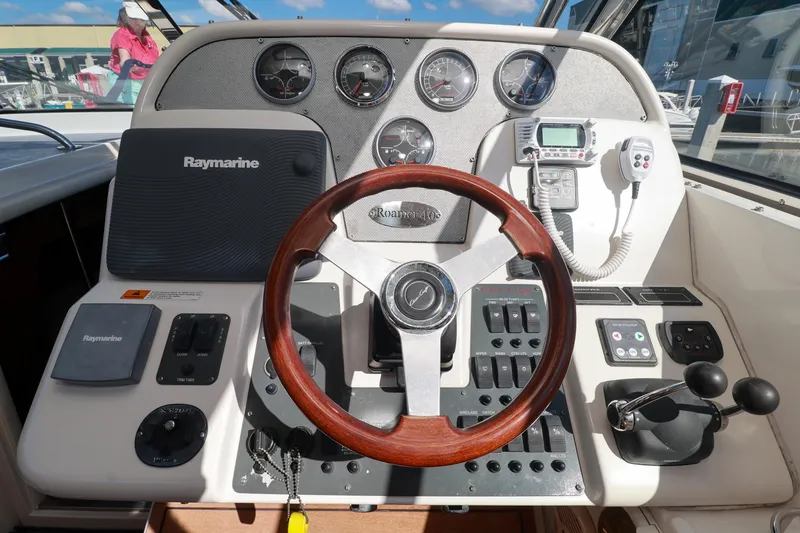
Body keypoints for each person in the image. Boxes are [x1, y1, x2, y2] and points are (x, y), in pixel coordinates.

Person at [107, 2, 160, 105]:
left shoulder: (147, 37)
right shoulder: (122, 34)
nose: (137, 22)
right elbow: (124, 59)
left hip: (144, 83)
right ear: (125, 17)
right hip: (126, 83)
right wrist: (128, 64)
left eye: (140, 19)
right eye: (133, 18)